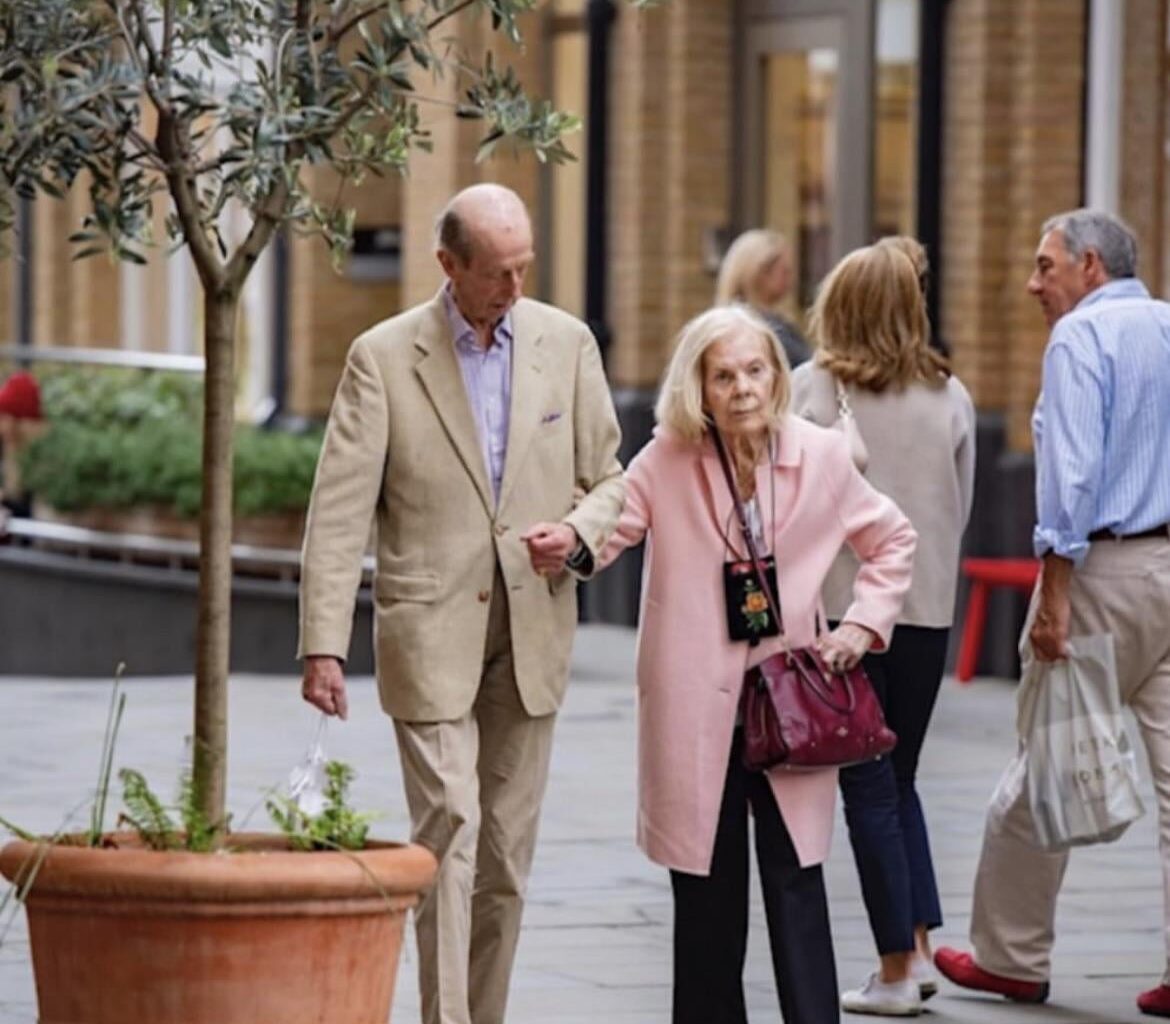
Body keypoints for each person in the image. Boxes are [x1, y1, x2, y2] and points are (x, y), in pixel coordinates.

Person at [298, 183, 626, 1024]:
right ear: (448, 265)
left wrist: (579, 532)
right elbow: (339, 510)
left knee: (506, 861)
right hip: (429, 630)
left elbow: (610, 480)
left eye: (525, 268)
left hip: (533, 628)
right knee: (449, 825)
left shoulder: (569, 343)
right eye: (496, 273)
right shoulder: (381, 356)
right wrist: (322, 645)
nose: (514, 288)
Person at [595, 304, 917, 1023]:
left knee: (796, 883)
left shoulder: (822, 455)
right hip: (694, 700)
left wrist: (862, 626)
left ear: (776, 377)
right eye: (723, 375)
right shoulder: (666, 458)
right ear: (698, 387)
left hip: (791, 700)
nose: (741, 387)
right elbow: (610, 527)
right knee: (705, 889)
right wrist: (566, 541)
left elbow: (893, 540)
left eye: (754, 370)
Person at [932, 209, 1170, 1020]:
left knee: (1048, 759)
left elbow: (1068, 476)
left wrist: (1055, 596)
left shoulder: (1079, 339)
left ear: (1091, 266)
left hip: (1102, 572)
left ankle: (1011, 957)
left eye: (1045, 266)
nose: (1034, 284)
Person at [792, 242, 976, 1016]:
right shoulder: (951, 394)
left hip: (844, 616)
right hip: (928, 609)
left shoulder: (813, 387)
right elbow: (960, 507)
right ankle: (920, 949)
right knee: (899, 783)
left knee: (867, 787)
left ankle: (897, 970)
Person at [715, 228, 813, 367]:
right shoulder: (763, 330)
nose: (791, 280)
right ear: (761, 272)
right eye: (784, 271)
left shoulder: (773, 323)